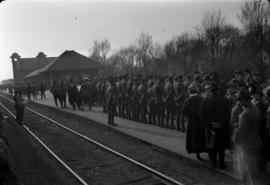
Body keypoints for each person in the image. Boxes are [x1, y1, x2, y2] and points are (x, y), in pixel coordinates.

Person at [233, 87, 262, 185]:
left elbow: (242, 132)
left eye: (240, 100)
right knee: (253, 166)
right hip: (255, 141)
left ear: (244, 100)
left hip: (247, 144)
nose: (239, 103)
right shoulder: (256, 109)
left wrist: (235, 137)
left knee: (247, 168)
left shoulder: (245, 113)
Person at [200, 83, 231, 169]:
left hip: (210, 127)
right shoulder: (225, 100)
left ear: (210, 91)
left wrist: (210, 123)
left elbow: (202, 115)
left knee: (211, 145)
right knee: (221, 146)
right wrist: (221, 123)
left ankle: (213, 162)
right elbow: (228, 115)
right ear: (218, 90)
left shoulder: (205, 100)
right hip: (222, 127)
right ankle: (221, 162)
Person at [182, 85, 206, 160]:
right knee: (201, 136)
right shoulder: (202, 99)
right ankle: (202, 149)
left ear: (189, 92)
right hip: (201, 121)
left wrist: (188, 115)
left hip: (192, 121)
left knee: (193, 137)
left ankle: (196, 152)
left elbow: (184, 111)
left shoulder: (188, 100)